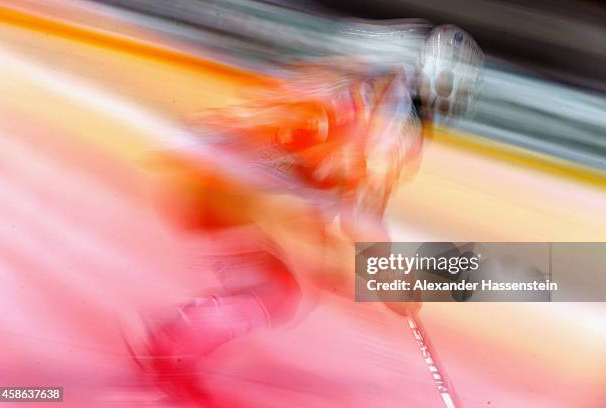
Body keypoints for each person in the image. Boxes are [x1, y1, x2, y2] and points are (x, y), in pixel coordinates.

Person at [125, 21, 484, 403]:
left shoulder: (366, 84)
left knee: (281, 282)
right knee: (277, 289)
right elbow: (355, 211)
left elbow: (328, 188)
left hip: (212, 163)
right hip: (230, 177)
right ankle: (168, 349)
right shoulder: (393, 117)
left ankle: (169, 341)